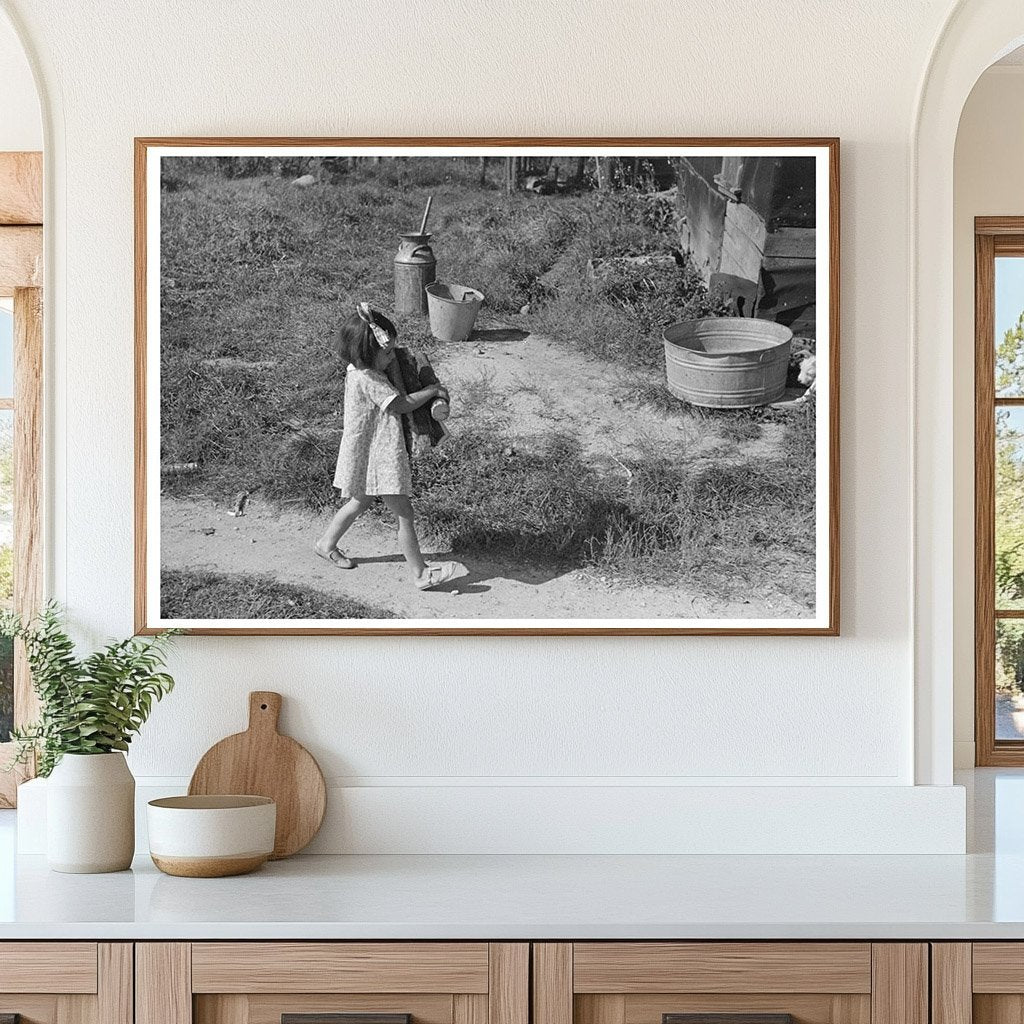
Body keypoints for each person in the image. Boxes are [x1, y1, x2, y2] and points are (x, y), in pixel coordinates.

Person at [315, 302, 463, 591]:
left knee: (359, 502)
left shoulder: (361, 369)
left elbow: (391, 373)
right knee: (404, 512)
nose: (391, 356)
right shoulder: (368, 378)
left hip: (369, 451)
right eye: (386, 353)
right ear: (368, 355)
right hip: (378, 454)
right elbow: (400, 404)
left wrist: (393, 361)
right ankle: (421, 574)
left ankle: (325, 543)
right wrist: (433, 390)